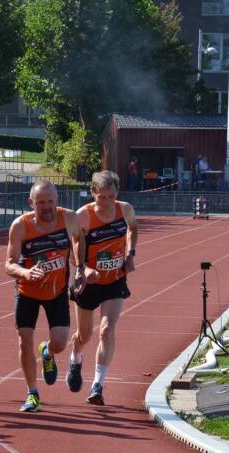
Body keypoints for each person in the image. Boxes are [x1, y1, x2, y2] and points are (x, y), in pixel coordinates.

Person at [5, 181, 84, 413]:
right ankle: (32, 394)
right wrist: (25, 272)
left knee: (60, 342)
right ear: (31, 203)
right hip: (27, 291)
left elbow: (79, 238)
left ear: (57, 201)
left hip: (56, 291)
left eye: (50, 201)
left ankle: (47, 352)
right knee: (24, 340)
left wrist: (80, 267)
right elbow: (9, 264)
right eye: (41, 202)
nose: (46, 206)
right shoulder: (20, 226)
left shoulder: (68, 219)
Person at [68, 171, 137, 405]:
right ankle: (75, 359)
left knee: (107, 329)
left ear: (116, 193)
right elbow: (72, 250)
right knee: (84, 335)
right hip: (89, 282)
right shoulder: (83, 216)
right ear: (93, 194)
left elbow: (133, 229)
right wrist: (84, 270)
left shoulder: (124, 209)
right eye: (102, 197)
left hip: (115, 280)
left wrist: (130, 255)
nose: (107, 203)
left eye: (111, 197)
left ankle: (97, 385)